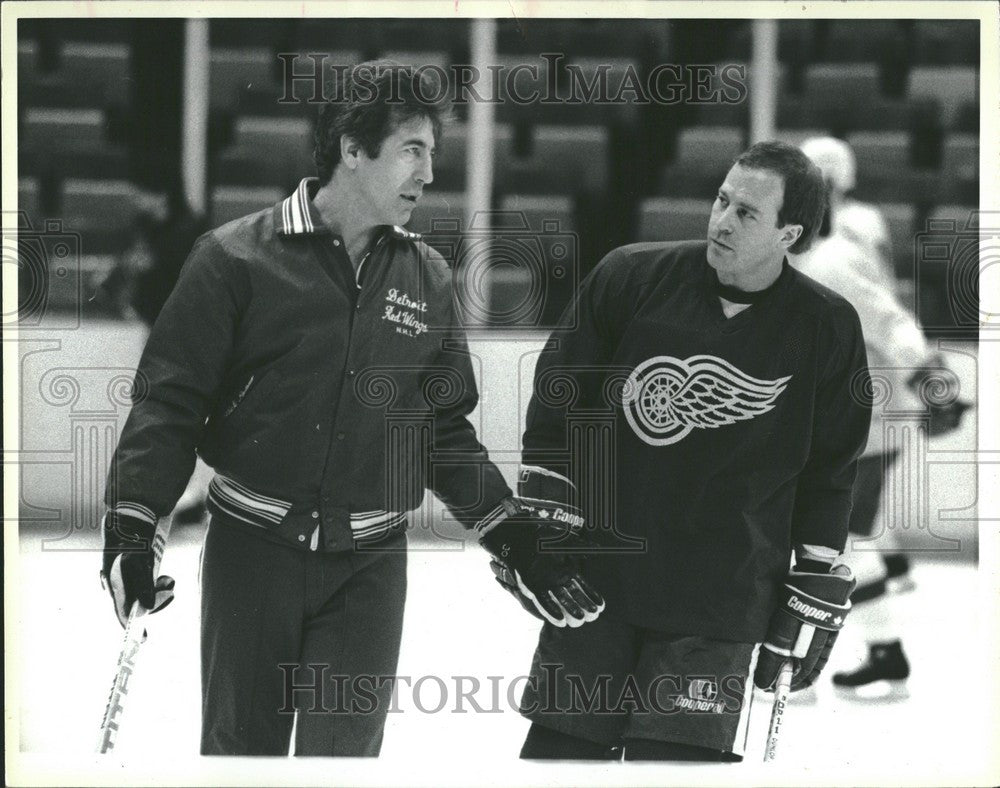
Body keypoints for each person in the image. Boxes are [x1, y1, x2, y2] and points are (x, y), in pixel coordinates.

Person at [99, 61, 603, 757]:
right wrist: (131, 528)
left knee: (345, 766)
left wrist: (509, 532)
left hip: (369, 567)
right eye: (412, 150)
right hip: (253, 553)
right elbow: (170, 404)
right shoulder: (233, 258)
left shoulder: (425, 274)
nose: (428, 174)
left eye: (433, 153)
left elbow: (439, 429)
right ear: (353, 147)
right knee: (241, 759)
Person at [509, 141, 872, 761]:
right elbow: (557, 413)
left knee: (673, 773)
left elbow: (830, 473)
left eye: (747, 213)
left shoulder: (827, 327)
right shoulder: (627, 277)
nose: (722, 220)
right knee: (559, 766)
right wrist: (542, 529)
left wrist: (814, 579)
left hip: (720, 603)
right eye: (721, 200)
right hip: (597, 588)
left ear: (791, 234)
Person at [793, 141, 971, 697]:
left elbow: (888, 319)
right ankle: (878, 652)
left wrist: (932, 380)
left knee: (833, 537)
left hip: (863, 414)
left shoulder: (832, 255)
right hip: (857, 412)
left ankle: (807, 662)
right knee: (843, 536)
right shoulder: (836, 240)